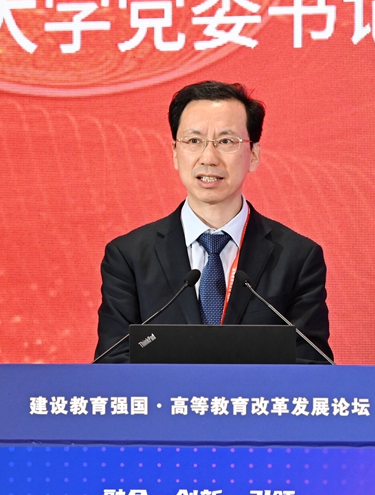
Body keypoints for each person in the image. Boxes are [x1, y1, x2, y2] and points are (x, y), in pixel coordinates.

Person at [94, 81, 333, 363]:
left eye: (226, 141)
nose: (208, 158)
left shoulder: (297, 258)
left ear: (254, 155)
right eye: (194, 141)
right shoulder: (129, 257)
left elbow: (311, 365)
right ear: (175, 152)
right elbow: (113, 363)